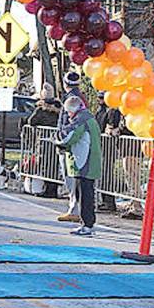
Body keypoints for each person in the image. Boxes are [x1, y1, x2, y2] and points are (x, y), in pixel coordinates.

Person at [55, 96, 101, 236]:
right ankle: (86, 223)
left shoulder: (81, 120)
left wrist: (57, 139)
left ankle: (87, 225)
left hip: (84, 161)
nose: (68, 115)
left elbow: (69, 137)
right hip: (89, 160)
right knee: (85, 193)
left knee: (85, 195)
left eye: (68, 112)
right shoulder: (89, 118)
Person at [56, 71, 86, 223]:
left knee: (71, 177)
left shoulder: (72, 99)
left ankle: (74, 209)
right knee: (72, 177)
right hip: (71, 142)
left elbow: (70, 123)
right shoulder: (80, 97)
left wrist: (62, 139)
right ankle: (74, 207)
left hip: (69, 144)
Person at [26, 83, 62, 198]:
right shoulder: (59, 109)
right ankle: (53, 189)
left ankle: (49, 190)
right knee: (54, 165)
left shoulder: (41, 110)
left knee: (45, 165)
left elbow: (31, 121)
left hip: (44, 142)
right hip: (56, 141)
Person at [96, 92, 120, 212]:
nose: (99, 99)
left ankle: (109, 202)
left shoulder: (112, 111)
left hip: (108, 147)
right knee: (103, 174)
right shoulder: (101, 110)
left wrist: (110, 130)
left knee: (107, 174)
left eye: (101, 97)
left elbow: (111, 127)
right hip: (101, 145)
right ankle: (104, 200)